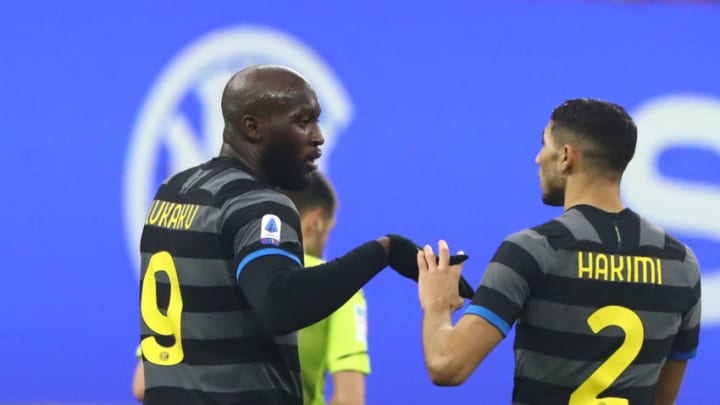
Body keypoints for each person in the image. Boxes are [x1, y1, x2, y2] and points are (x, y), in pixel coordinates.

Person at [137, 64, 470, 405]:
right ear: (253, 128)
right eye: (303, 121)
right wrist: (383, 251)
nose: (318, 136)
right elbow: (279, 304)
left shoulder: (172, 191)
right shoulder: (259, 203)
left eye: (316, 120)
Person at [416, 98, 701, 405]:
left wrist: (437, 305)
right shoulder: (681, 263)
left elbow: (446, 366)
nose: (538, 158)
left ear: (566, 156)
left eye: (544, 144)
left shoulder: (531, 251)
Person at [283, 171, 370, 405]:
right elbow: (349, 399)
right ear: (316, 223)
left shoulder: (215, 271)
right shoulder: (338, 286)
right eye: (329, 231)